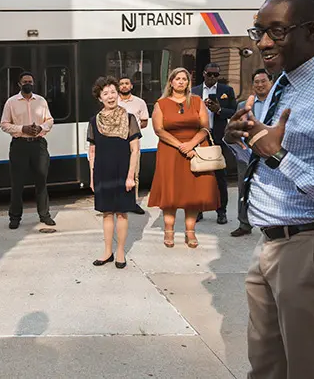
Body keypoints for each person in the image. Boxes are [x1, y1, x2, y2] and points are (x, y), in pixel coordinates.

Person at [225, 0, 314, 379]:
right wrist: (240, 139)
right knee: (267, 368)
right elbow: (266, 154)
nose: (264, 42)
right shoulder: (284, 81)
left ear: (312, 30)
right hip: (271, 244)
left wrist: (281, 156)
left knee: (313, 371)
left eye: (277, 31)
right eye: (259, 32)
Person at [148, 67, 219, 248]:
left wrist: (191, 144)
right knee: (170, 193)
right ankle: (169, 231)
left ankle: (190, 232)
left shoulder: (196, 101)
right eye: (178, 79)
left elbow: (205, 127)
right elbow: (159, 130)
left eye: (185, 79)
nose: (181, 82)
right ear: (171, 82)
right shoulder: (161, 104)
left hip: (195, 150)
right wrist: (181, 145)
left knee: (192, 193)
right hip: (170, 151)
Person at [89, 77, 142, 269]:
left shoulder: (129, 119)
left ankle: (120, 251)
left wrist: (130, 176)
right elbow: (92, 150)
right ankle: (107, 252)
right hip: (102, 172)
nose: (110, 96)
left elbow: (135, 150)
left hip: (122, 172)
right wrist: (92, 176)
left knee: (121, 213)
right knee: (106, 213)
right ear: (100, 98)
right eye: (105, 94)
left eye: (113, 92)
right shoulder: (95, 121)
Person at [0, 71, 56, 229]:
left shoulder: (41, 101)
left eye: (30, 81)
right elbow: (4, 124)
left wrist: (41, 128)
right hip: (19, 145)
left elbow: (50, 120)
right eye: (25, 81)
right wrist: (22, 128)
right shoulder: (11, 102)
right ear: (19, 84)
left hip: (38, 145)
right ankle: (15, 217)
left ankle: (45, 215)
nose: (28, 84)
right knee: (17, 184)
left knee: (41, 182)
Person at [191, 63, 237, 225]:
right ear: (203, 73)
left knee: (220, 177)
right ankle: (199, 209)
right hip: (199, 139)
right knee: (198, 174)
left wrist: (219, 110)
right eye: (209, 74)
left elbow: (234, 111)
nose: (212, 78)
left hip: (218, 138)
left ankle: (221, 211)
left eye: (216, 75)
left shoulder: (226, 91)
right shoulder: (194, 91)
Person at [231, 69, 272, 237]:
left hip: (270, 154)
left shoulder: (278, 103)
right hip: (248, 155)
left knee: (269, 189)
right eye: (257, 82)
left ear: (271, 82)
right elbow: (235, 128)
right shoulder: (244, 106)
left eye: (263, 81)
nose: (260, 85)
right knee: (244, 188)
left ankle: (269, 224)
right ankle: (244, 223)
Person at [117, 75, 149, 215]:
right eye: (121, 84)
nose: (124, 86)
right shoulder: (113, 101)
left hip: (133, 143)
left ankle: (133, 203)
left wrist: (133, 131)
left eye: (126, 83)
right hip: (116, 142)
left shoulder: (140, 102)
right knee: (118, 172)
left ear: (131, 86)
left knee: (134, 173)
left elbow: (144, 121)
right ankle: (117, 202)